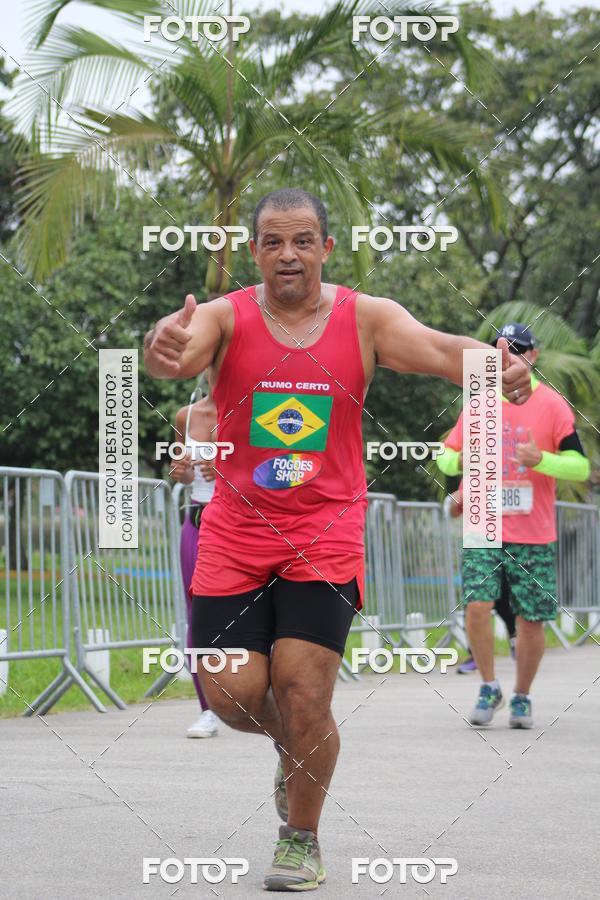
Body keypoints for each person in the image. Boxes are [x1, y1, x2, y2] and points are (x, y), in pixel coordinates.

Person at [143, 188, 531, 892]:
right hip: (234, 534)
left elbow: (444, 349)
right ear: (256, 250)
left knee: (303, 689)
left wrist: (494, 365)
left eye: (301, 241)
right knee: (230, 696)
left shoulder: (365, 318)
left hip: (323, 535)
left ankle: (301, 836)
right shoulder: (227, 316)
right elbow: (178, 351)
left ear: (325, 246)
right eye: (271, 242)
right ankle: (298, 753)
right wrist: (164, 348)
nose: (286, 255)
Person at [437, 322, 590, 728]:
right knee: (477, 606)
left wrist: (542, 461)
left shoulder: (553, 406)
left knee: (531, 618)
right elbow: (445, 458)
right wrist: (461, 461)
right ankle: (488, 686)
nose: (510, 357)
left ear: (533, 357)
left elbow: (581, 467)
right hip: (483, 524)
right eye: (502, 350)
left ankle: (521, 696)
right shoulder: (479, 403)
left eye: (519, 350)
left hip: (533, 530)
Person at [170, 382, 220, 738]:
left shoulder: (259, 411)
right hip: (197, 519)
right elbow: (182, 474)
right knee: (196, 614)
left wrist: (229, 471)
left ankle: (261, 697)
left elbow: (277, 469)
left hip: (243, 523)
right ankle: (208, 710)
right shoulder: (186, 416)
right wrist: (182, 471)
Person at [444, 485, 516, 673]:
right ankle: (474, 654)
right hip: (478, 543)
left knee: (503, 598)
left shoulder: (515, 469)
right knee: (474, 601)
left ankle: (514, 633)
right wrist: (455, 501)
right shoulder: (474, 471)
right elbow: (454, 511)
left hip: (513, 540)